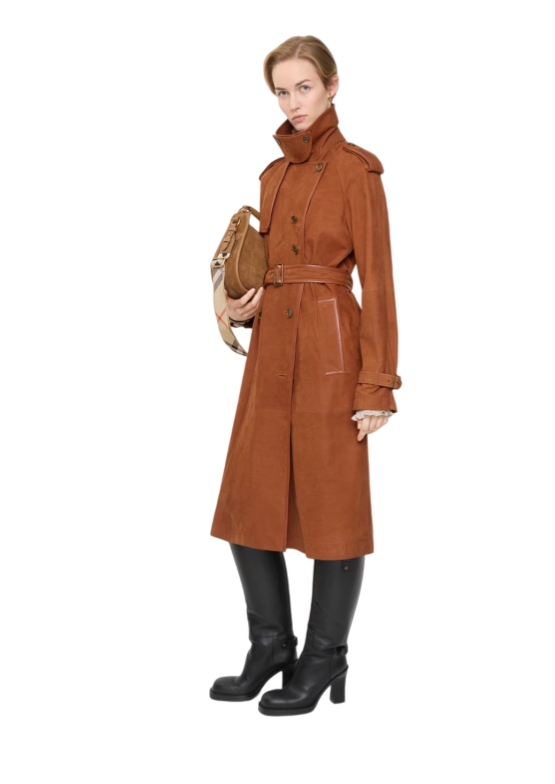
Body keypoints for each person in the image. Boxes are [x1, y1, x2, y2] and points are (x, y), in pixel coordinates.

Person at [209, 35, 401, 716]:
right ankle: (270, 646)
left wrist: (376, 385)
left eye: (305, 87)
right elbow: (270, 268)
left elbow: (378, 281)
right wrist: (244, 303)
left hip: (331, 350)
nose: (293, 103)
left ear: (332, 85)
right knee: (246, 502)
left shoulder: (358, 170)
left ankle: (324, 656)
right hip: (271, 355)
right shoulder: (271, 175)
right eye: (282, 92)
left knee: (332, 506)